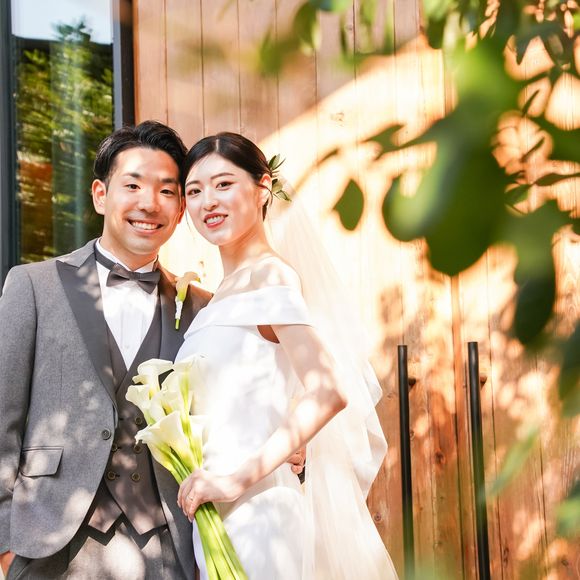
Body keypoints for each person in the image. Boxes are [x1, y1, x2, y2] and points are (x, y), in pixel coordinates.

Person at [175, 132, 398, 579]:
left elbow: (328, 391)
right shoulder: (224, 292)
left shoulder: (270, 276)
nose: (207, 201)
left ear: (263, 188)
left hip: (260, 514)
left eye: (223, 184)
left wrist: (237, 478)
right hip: (220, 515)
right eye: (194, 191)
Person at [0, 121, 211, 579]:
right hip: (48, 541)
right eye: (132, 185)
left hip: (166, 548)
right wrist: (3, 538)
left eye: (167, 191)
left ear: (180, 210)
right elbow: (2, 417)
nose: (149, 203)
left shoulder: (201, 308)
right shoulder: (33, 286)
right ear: (100, 194)